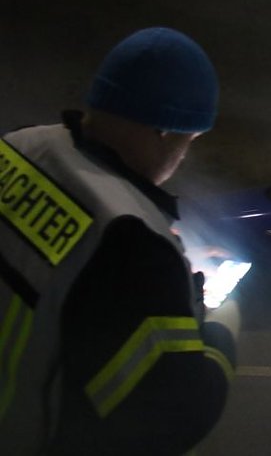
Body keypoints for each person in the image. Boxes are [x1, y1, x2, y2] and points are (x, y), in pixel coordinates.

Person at [0, 27, 240, 455]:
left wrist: (168, 269)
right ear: (164, 132)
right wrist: (222, 327)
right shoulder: (131, 246)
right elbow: (172, 419)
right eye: (188, 141)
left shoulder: (21, 144)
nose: (184, 156)